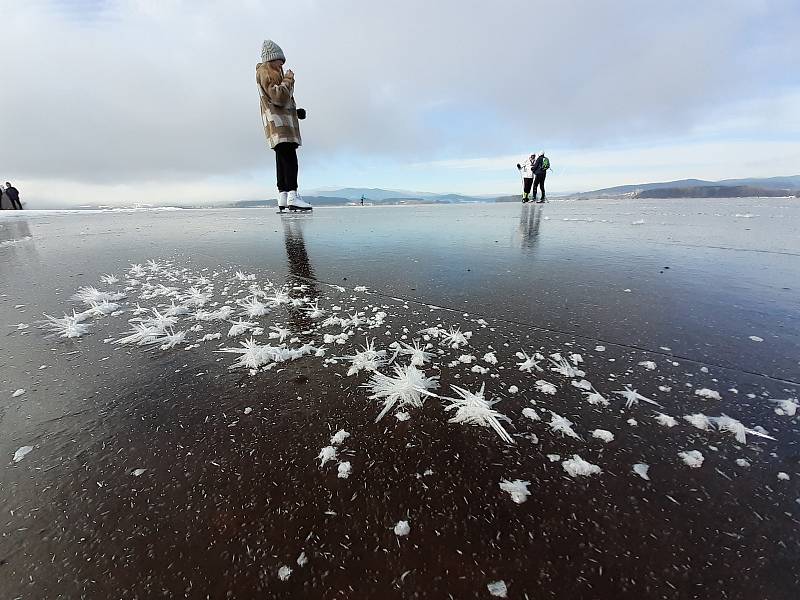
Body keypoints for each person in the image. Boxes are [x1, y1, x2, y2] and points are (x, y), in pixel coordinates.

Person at [256, 40, 312, 212]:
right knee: (289, 158)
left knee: (282, 158)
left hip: (277, 122)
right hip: (280, 124)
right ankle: (292, 196)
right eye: (280, 60)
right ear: (272, 59)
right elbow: (278, 96)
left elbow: (279, 102)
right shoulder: (267, 72)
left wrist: (296, 112)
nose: (282, 63)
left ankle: (284, 195)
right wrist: (289, 79)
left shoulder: (268, 72)